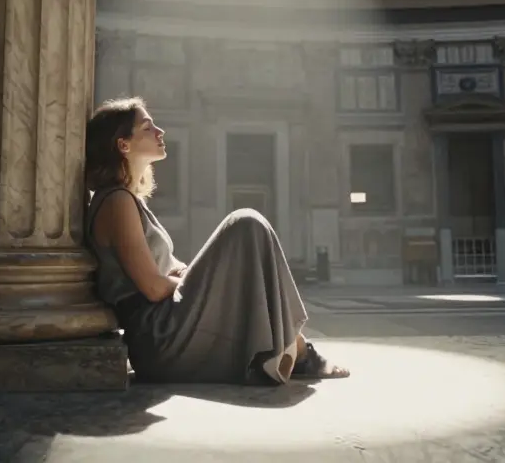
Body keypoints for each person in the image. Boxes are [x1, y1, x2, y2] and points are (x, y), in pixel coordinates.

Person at [84, 96, 348, 385]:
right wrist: (197, 281)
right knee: (245, 224)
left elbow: (165, 269)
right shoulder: (116, 202)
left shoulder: (127, 199)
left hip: (168, 326)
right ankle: (300, 352)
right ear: (124, 145)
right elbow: (154, 287)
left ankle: (296, 351)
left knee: (247, 236)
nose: (160, 131)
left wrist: (192, 274)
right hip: (158, 337)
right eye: (148, 128)